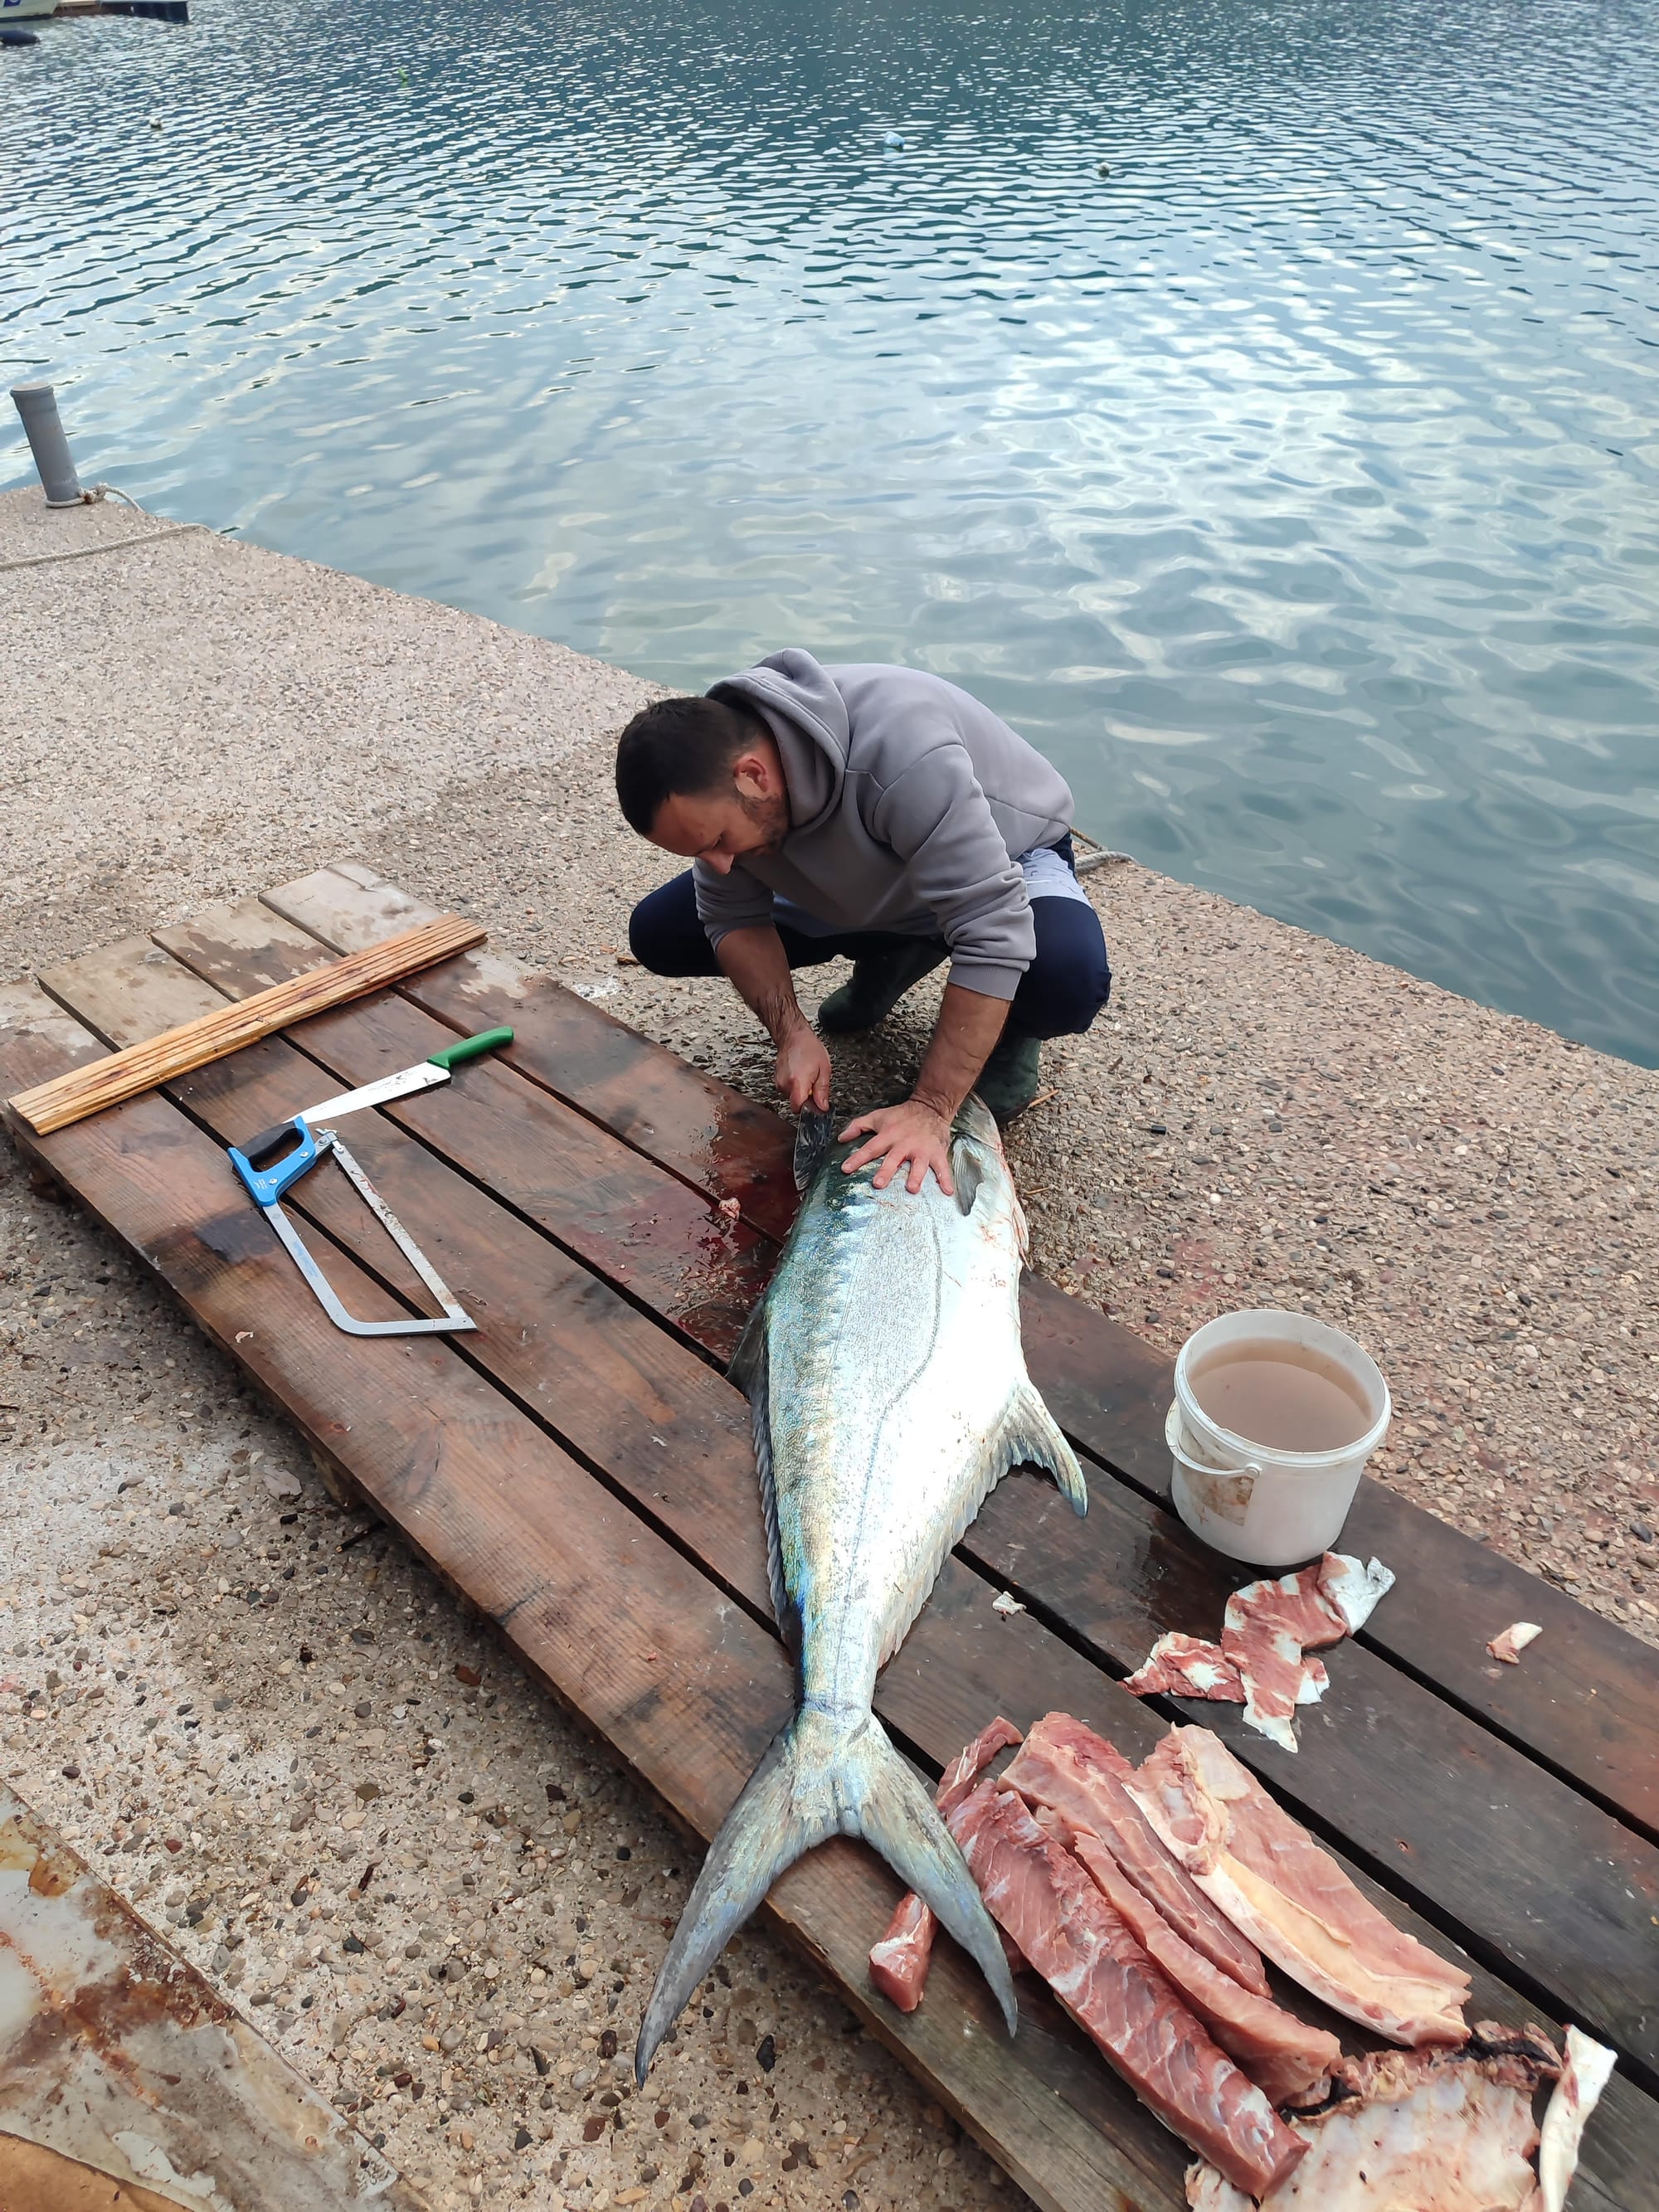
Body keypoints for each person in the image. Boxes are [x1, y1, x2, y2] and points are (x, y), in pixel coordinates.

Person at [615, 649, 1111, 1197]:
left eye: (717, 842)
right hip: (871, 878)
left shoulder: (903, 752)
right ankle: (901, 947)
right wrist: (791, 1033)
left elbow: (993, 929)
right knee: (663, 931)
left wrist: (930, 1109)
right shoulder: (726, 779)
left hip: (1007, 859)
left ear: (753, 774)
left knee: (1067, 974)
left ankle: (1013, 1033)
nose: (721, 866)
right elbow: (731, 915)